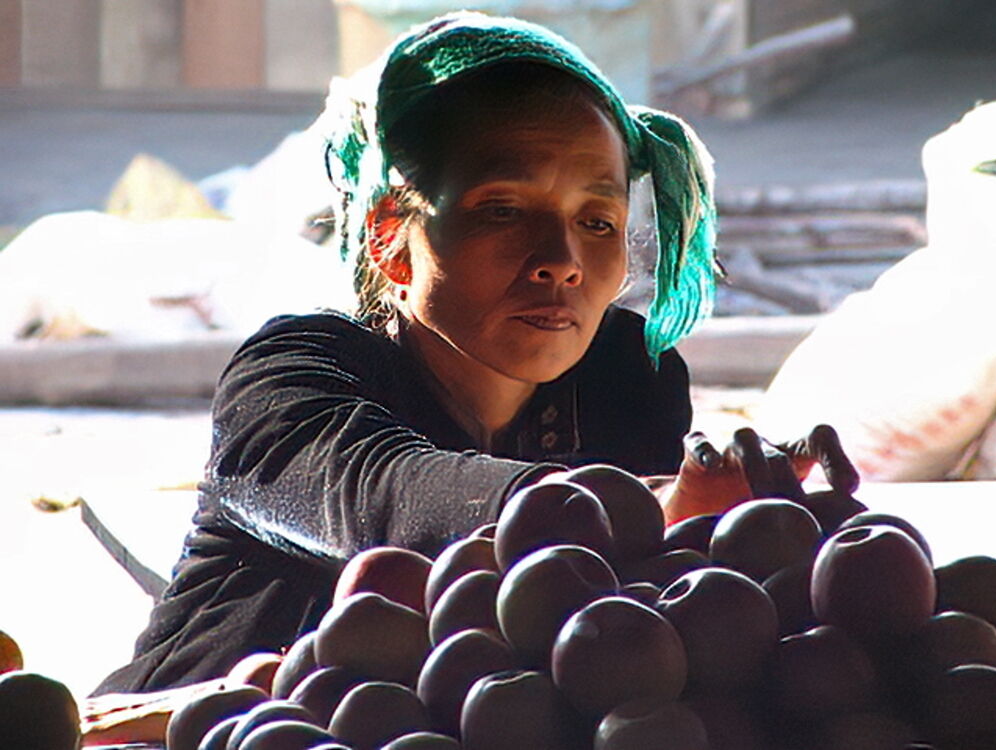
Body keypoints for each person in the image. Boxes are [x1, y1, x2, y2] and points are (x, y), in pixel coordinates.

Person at [93, 11, 856, 695]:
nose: (561, 260)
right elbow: (380, 498)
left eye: (597, 221)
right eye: (504, 209)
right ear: (394, 241)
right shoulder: (293, 374)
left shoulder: (627, 378)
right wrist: (652, 504)